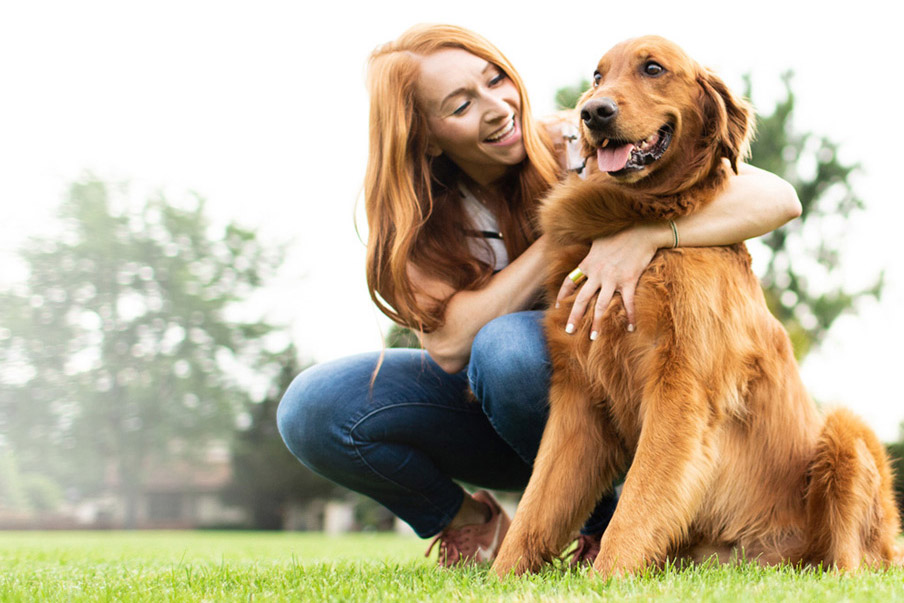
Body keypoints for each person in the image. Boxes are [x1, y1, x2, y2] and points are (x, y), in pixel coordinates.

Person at [277, 24, 802, 567]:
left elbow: (777, 196)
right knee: (315, 406)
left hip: (610, 406)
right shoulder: (418, 218)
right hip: (497, 409)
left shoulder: (578, 135)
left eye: (495, 78)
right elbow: (452, 345)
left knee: (513, 351)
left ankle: (614, 531)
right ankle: (475, 528)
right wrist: (570, 227)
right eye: (460, 104)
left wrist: (645, 234)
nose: (497, 107)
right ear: (426, 135)